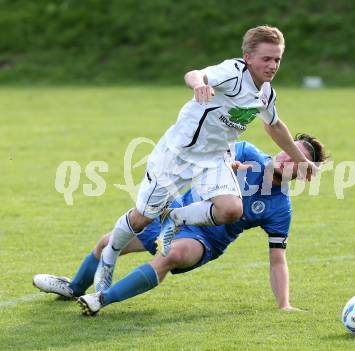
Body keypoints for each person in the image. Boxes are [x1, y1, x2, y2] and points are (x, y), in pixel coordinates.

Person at [92, 25, 319, 295]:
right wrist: (200, 84)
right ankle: (110, 256)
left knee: (232, 210)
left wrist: (302, 161)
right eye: (266, 58)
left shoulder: (266, 93)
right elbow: (195, 73)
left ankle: (175, 218)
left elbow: (274, 125)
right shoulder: (234, 73)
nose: (272, 65)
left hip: (214, 158)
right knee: (142, 218)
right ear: (248, 57)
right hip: (179, 153)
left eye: (277, 59)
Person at [33, 135, 328, 315]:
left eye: (297, 159)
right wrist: (228, 164)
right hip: (174, 210)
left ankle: (101, 299)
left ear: (303, 174)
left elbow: (278, 260)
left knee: (171, 255)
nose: (287, 157)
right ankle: (73, 288)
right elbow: (219, 151)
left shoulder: (280, 209)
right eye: (288, 149)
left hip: (206, 240)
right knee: (107, 242)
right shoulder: (249, 152)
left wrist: (284, 304)